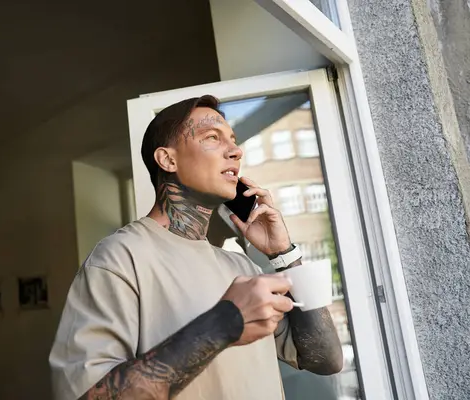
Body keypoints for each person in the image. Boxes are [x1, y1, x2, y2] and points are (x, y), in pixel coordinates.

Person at [49, 95, 343, 400]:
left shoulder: (242, 267)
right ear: (168, 160)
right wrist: (225, 321)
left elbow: (326, 359)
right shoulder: (119, 258)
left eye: (234, 140)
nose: (236, 151)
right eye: (212, 138)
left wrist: (283, 253)